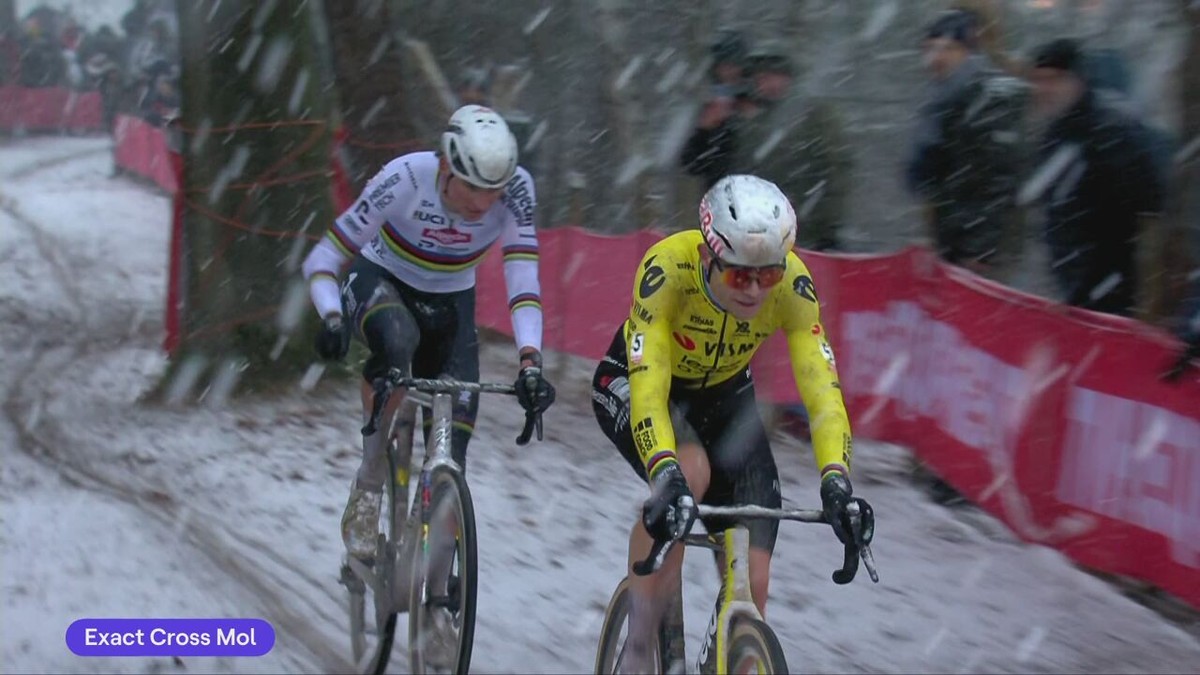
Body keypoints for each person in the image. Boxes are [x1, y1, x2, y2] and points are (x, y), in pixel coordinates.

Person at [591, 174, 873, 673]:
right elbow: (650, 387)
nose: (756, 290)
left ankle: (735, 651)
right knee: (690, 473)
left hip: (725, 401)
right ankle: (637, 648)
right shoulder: (668, 269)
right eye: (740, 276)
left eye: (768, 275)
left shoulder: (793, 285)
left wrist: (837, 480)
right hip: (641, 384)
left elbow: (822, 389)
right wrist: (665, 471)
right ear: (708, 257)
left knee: (753, 583)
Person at [302, 104, 557, 560]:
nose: (483, 203)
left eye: (493, 191)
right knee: (397, 342)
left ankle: (436, 567)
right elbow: (323, 258)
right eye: (472, 187)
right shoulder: (403, 179)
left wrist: (530, 361)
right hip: (381, 281)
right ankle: (370, 478)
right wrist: (331, 316)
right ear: (445, 167)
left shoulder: (517, 190)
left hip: (451, 304)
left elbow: (523, 280)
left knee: (457, 432)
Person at [1023, 38, 1165, 317]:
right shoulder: (1056, 132)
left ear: (1077, 80)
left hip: (1105, 293)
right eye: (1038, 80)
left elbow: (1146, 204)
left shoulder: (1111, 130)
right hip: (1068, 288)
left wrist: (1087, 287)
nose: (1044, 89)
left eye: (1054, 79)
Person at [905, 8, 1026, 279]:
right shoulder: (938, 99)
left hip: (978, 250)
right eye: (931, 48)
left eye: (948, 48)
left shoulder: (989, 97)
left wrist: (981, 249)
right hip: (949, 239)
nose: (937, 57)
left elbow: (1000, 178)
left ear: (968, 52)